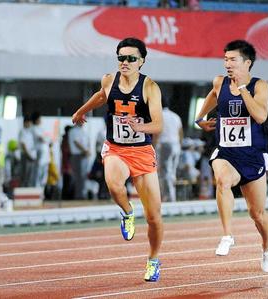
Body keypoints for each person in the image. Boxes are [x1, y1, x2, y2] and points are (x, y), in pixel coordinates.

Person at [72, 37, 163, 282]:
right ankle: (126, 211)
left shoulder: (150, 88)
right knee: (113, 184)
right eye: (121, 57)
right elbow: (101, 96)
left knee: (154, 217)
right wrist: (82, 111)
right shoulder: (109, 79)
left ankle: (153, 259)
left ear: (141, 61)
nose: (125, 62)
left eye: (131, 58)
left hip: (142, 152)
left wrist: (141, 126)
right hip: (116, 148)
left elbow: (158, 125)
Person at [195, 40, 268, 272]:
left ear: (247, 63)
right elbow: (212, 94)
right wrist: (200, 119)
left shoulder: (260, 86)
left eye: (233, 59)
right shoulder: (220, 82)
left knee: (257, 214)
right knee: (222, 180)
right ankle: (227, 235)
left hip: (252, 155)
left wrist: (241, 89)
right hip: (226, 152)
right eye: (225, 59)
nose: (227, 64)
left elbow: (260, 117)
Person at [156, 98, 183, 202]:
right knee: (172, 172)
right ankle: (171, 195)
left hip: (165, 145)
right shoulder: (175, 116)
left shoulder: (159, 115)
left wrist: (153, 147)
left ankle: (169, 198)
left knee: (165, 172)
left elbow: (157, 132)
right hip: (176, 145)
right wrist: (179, 147)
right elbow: (180, 133)